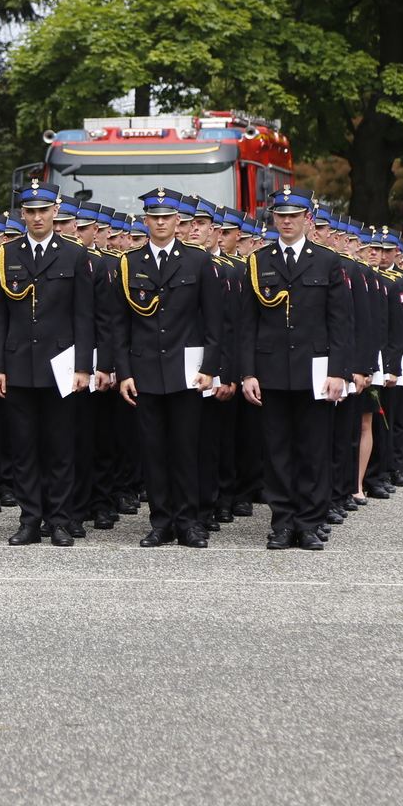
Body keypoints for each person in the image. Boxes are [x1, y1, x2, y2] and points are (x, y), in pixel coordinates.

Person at [239, 186, 351, 551]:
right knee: (277, 452)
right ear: (273, 218)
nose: (287, 221)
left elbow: (340, 323)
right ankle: (282, 522)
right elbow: (247, 323)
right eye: (281, 215)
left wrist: (339, 371)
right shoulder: (258, 261)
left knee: (313, 450)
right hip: (271, 370)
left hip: (315, 370)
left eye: (294, 215)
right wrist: (248, 372)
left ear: (308, 219)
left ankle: (309, 522)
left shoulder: (327, 261)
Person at [0, 181, 96, 546]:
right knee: (23, 448)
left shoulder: (75, 254)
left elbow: (84, 316)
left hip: (60, 364)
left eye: (43, 211)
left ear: (55, 211)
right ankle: (30, 519)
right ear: (22, 214)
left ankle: (60, 521)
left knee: (61, 447)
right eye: (29, 211)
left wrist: (83, 367)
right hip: (17, 364)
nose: (36, 217)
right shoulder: (6, 254)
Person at [115, 188, 223, 549]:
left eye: (167, 217)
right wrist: (125, 372)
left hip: (186, 370)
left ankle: (189, 522)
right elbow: (121, 325)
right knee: (153, 451)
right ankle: (160, 521)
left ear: (179, 221)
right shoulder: (130, 262)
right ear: (145, 221)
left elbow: (213, 320)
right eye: (153, 217)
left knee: (185, 449)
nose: (160, 223)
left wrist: (210, 367)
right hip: (145, 370)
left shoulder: (197, 261)